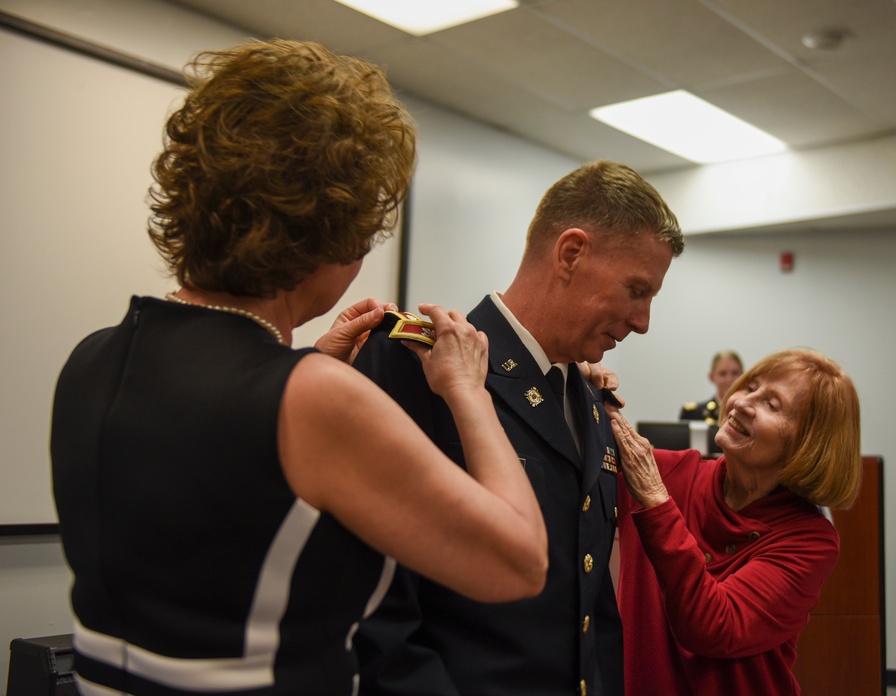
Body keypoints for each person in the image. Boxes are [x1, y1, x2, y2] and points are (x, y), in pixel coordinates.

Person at [49, 39, 549, 696]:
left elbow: (220, 520)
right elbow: (518, 561)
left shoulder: (91, 356)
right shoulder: (315, 399)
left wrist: (301, 369)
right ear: (331, 232)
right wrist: (467, 388)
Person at [348, 160, 685, 696]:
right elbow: (372, 603)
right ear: (571, 254)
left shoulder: (592, 401)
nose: (642, 320)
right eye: (637, 289)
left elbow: (591, 608)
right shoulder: (418, 362)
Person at [609, 349, 862, 696]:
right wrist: (584, 382)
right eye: (751, 387)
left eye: (772, 405)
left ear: (807, 444)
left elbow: (714, 626)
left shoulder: (810, 540)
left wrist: (655, 500)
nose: (741, 402)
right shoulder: (672, 472)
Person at [679, 349, 743, 423]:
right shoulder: (693, 414)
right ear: (711, 377)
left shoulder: (751, 413)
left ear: (743, 376)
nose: (729, 379)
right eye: (722, 374)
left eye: (735, 373)